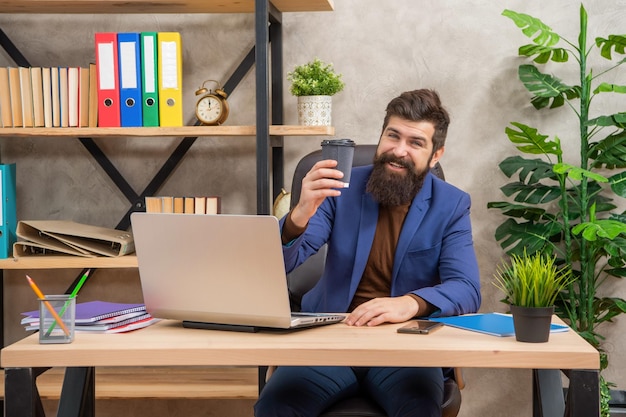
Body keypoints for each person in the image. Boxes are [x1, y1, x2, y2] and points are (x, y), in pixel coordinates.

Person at [254, 89, 481, 417]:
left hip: (404, 349)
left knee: (419, 410)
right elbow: (279, 264)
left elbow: (467, 289)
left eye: (415, 143)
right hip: (331, 341)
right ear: (381, 136)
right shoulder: (339, 189)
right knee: (275, 407)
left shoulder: (452, 204)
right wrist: (300, 213)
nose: (399, 150)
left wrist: (410, 303)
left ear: (436, 155)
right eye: (393, 135)